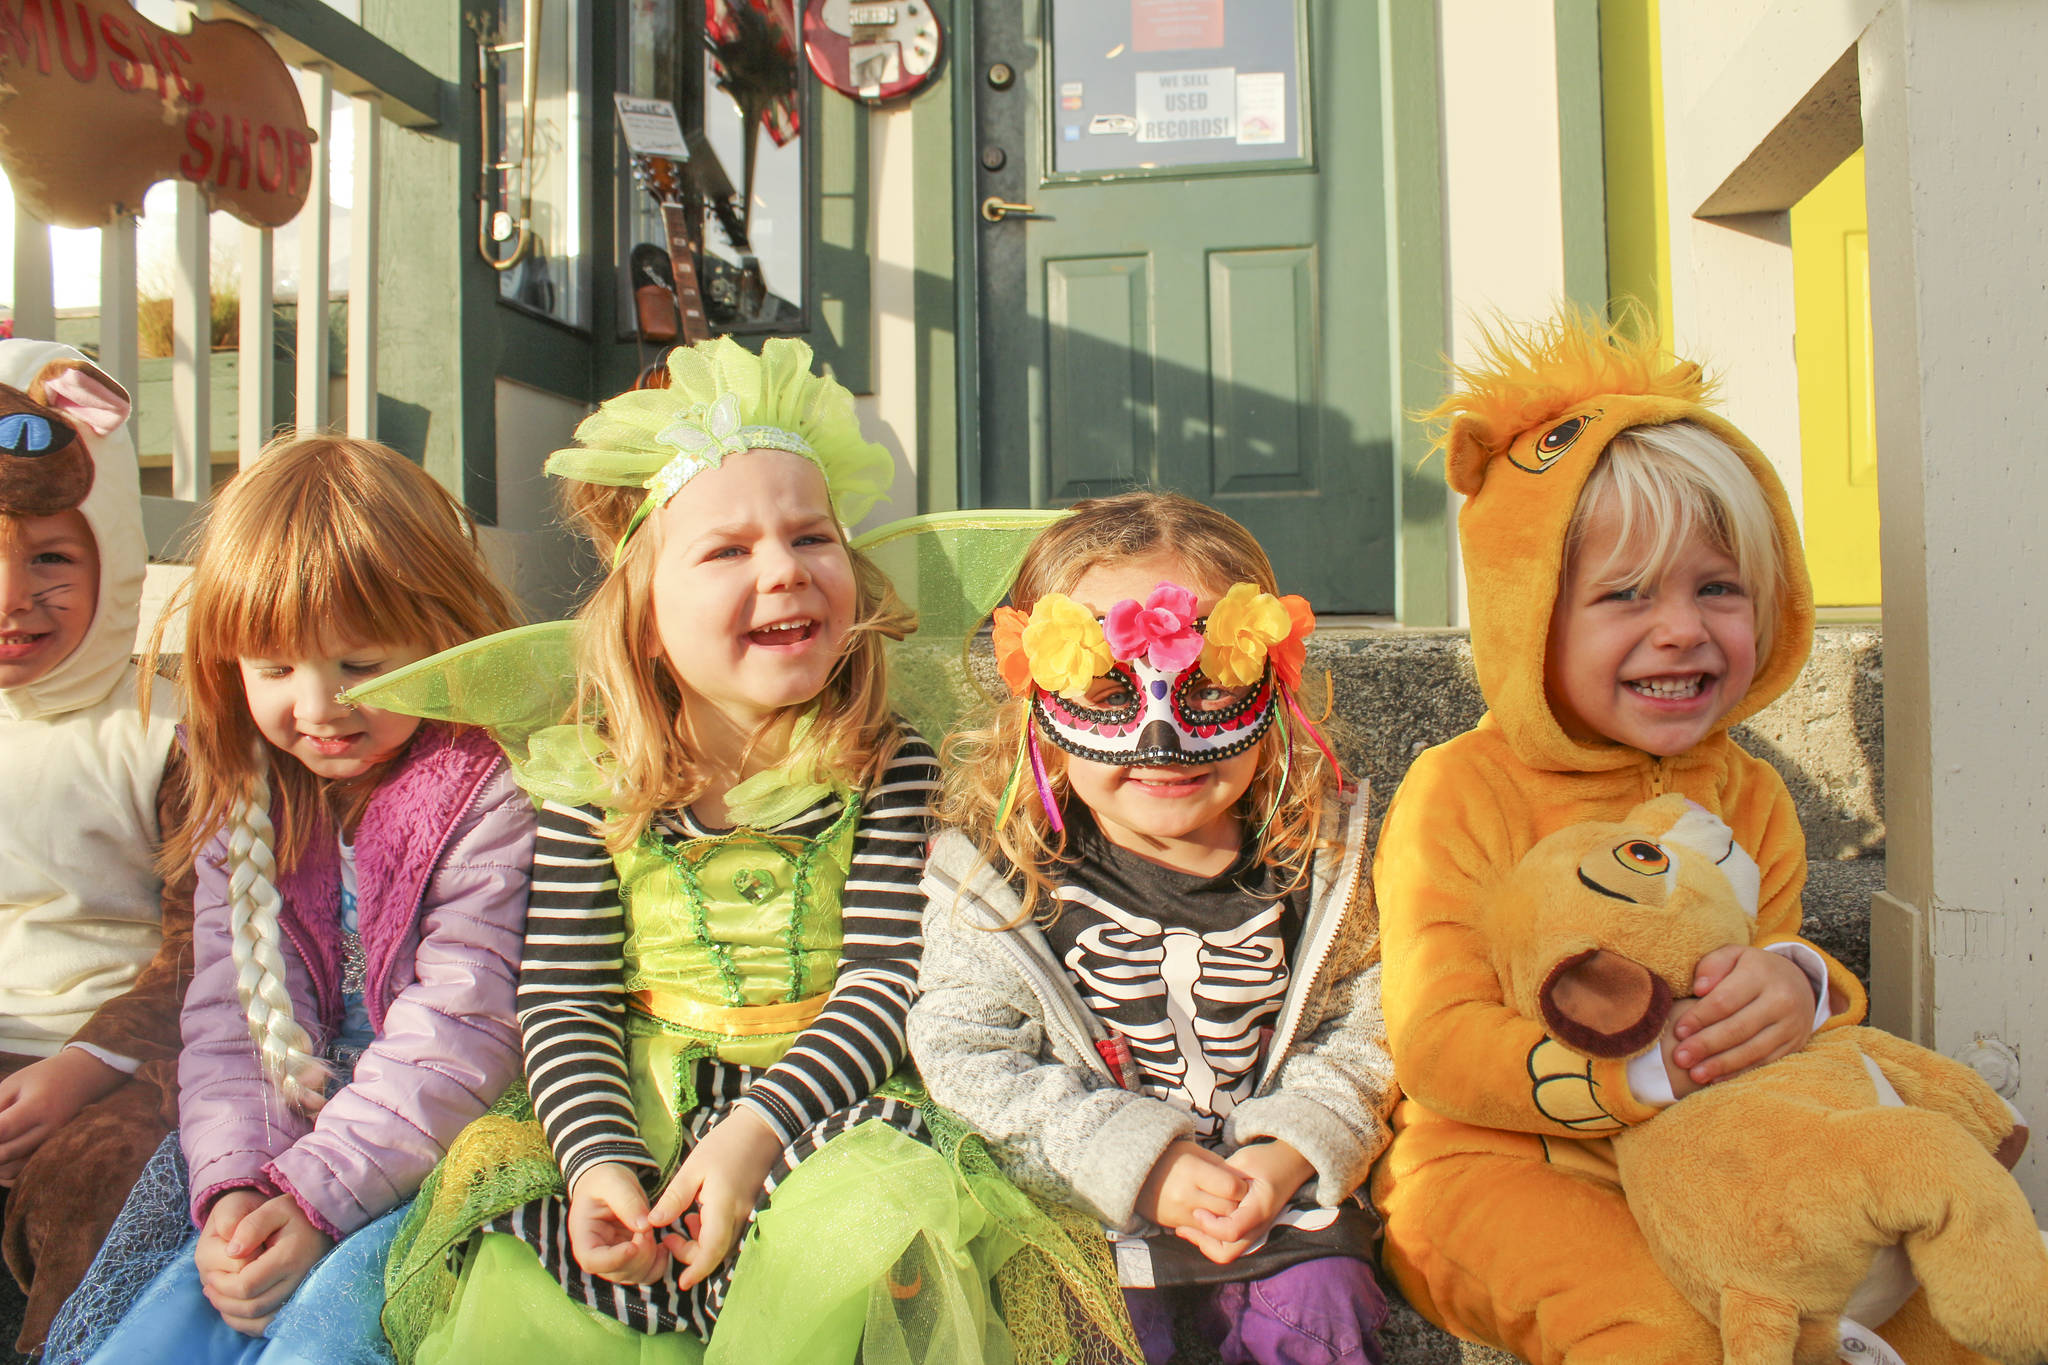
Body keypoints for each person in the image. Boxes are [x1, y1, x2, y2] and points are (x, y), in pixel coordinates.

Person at [1368, 310, 2011, 1365]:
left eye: (1717, 589)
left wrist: (1795, 984)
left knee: (1939, 1311)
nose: (1679, 628)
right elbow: (1435, 1046)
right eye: (1622, 596)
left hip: (1708, 1158)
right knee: (1659, 1335)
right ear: (1527, 617)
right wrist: (1627, 1081)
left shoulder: (1744, 787)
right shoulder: (1459, 790)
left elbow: (1768, 961)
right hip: (1493, 1171)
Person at [387, 336, 1017, 1365]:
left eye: (811, 537)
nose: (783, 570)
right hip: (638, 1107)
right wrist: (599, 1169)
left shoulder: (883, 762)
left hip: (826, 1112)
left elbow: (886, 980)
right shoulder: (592, 780)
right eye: (726, 551)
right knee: (527, 1282)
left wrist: (753, 1136)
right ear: (641, 622)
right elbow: (564, 995)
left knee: (849, 1243)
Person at [60, 435, 535, 1365]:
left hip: (439, 1136)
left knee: (324, 1339)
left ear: (441, 636)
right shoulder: (250, 794)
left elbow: (466, 1022)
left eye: (358, 662)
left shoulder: (488, 791)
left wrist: (315, 1194)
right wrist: (238, 1186)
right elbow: (233, 1023)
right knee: (180, 1321)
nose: (318, 706)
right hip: (285, 1140)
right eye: (274, 668)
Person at [909, 490, 1395, 1365]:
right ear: (1039, 711)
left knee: (1326, 1308)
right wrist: (1136, 1161)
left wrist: (1291, 1149)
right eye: (1103, 688)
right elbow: (966, 1052)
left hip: (1288, 1210)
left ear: (1271, 682)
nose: (1159, 738)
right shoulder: (996, 883)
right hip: (1092, 1219)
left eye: (1213, 685)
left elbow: (1374, 1018)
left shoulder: (1324, 862)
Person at [0, 340, 192, 1355]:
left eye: (51, 557)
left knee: (110, 1181)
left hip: (116, 1060)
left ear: (111, 552)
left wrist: (85, 1065)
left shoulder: (159, 729)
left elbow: (205, 936)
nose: (11, 597)